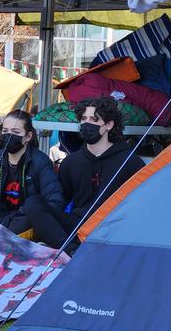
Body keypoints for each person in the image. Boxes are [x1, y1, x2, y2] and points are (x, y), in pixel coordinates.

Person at [25, 97, 145, 254]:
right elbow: (61, 200)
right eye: (84, 118)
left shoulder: (130, 162)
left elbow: (140, 205)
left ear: (109, 124)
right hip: (78, 224)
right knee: (33, 203)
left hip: (111, 227)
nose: (87, 124)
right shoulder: (71, 162)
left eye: (94, 119)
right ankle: (71, 251)